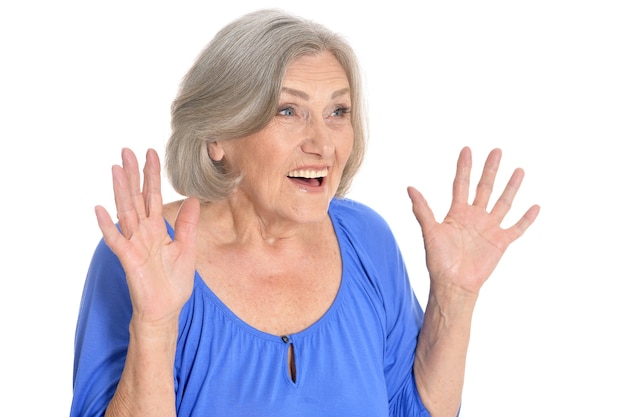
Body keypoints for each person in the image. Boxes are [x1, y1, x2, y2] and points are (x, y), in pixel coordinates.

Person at [70, 8, 540, 417]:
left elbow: (411, 411)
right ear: (217, 136)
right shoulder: (146, 253)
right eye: (288, 111)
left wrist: (454, 300)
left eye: (338, 112)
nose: (321, 143)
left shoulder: (366, 240)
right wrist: (154, 327)